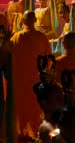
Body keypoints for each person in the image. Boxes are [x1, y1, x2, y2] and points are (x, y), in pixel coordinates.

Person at [9, 10, 51, 141]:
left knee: (21, 112)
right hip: (36, 84)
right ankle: (37, 137)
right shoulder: (42, 37)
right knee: (35, 112)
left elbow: (8, 60)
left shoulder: (15, 38)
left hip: (19, 84)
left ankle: (21, 135)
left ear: (22, 21)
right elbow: (48, 61)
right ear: (35, 21)